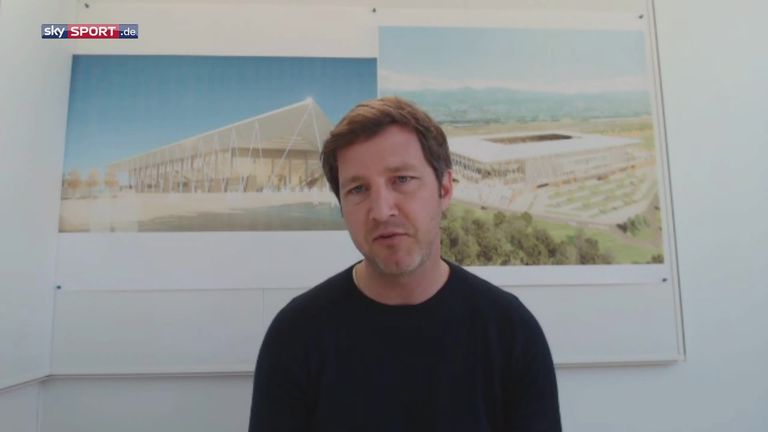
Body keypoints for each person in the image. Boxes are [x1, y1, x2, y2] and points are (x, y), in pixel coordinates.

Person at [249, 97, 561, 431]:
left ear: (445, 189)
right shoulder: (297, 336)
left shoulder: (511, 332)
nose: (382, 211)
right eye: (358, 189)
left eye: (401, 180)